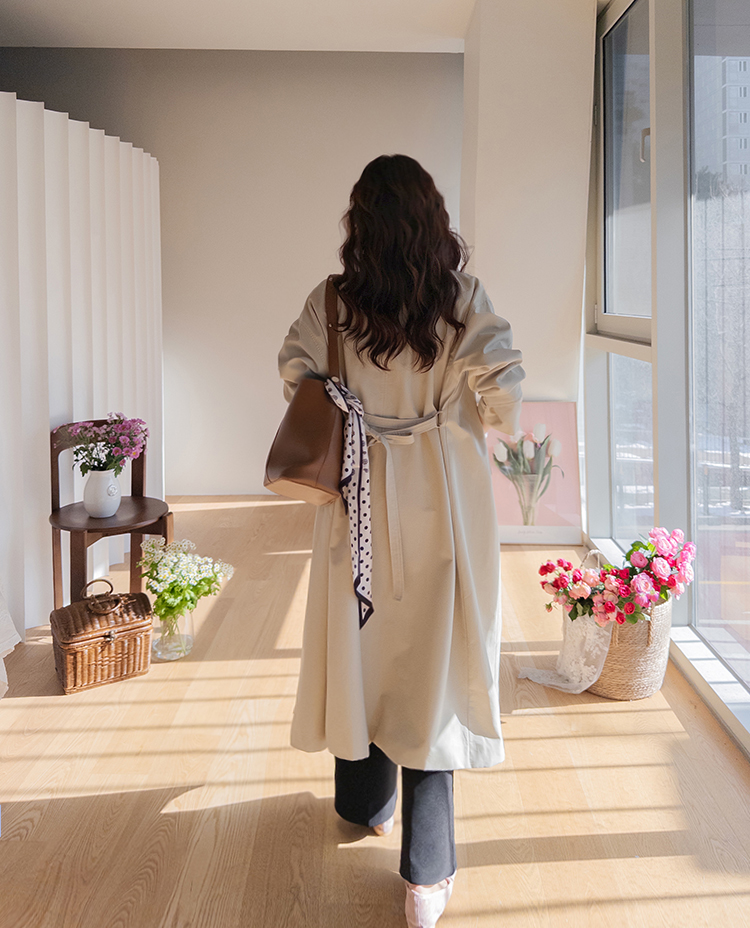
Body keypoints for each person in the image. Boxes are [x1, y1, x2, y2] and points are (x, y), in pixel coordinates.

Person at [277, 154, 524, 928]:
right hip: (443, 501)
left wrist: (356, 399)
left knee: (363, 644)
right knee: (433, 668)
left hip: (356, 494)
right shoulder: (461, 298)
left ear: (360, 223)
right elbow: (505, 399)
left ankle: (365, 803)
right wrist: (460, 394)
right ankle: (425, 876)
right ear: (432, 219)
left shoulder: (331, 301)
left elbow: (295, 375)